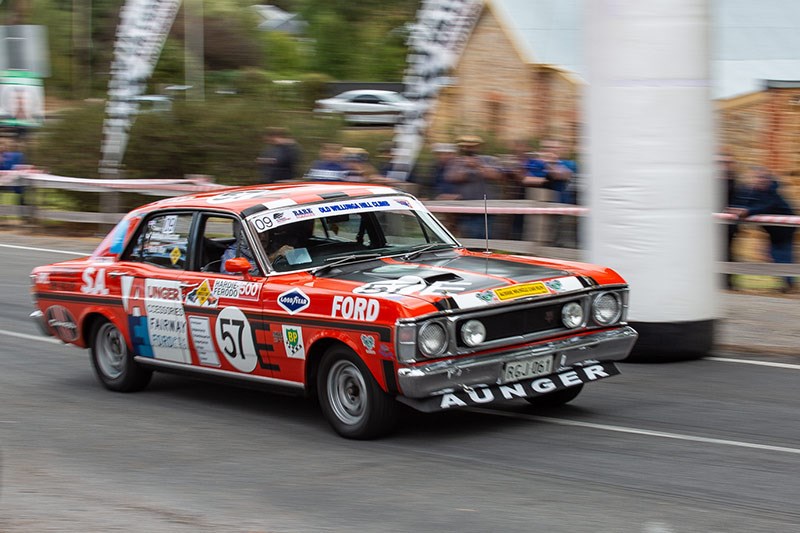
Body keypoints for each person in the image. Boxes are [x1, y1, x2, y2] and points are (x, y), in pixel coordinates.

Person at [728, 167, 796, 293]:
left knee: (782, 255)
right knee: (774, 255)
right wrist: (737, 209)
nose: (759, 180)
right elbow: (744, 204)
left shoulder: (772, 193)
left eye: (762, 178)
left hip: (784, 230)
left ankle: (788, 284)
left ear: (768, 180)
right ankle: (785, 282)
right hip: (773, 230)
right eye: (757, 177)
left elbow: (766, 206)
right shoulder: (752, 192)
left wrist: (747, 211)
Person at [444, 135, 502, 239]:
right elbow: (451, 177)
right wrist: (466, 169)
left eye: (471, 146)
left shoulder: (489, 160)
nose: (468, 149)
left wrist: (478, 166)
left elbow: (496, 176)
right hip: (464, 208)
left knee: (484, 237)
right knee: (467, 237)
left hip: (485, 206)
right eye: (465, 146)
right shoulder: (455, 162)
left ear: (478, 147)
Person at [525, 138, 578, 246]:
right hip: (540, 208)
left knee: (561, 242)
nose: (549, 150)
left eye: (553, 147)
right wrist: (546, 179)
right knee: (538, 242)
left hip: (562, 208)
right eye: (546, 148)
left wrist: (549, 165)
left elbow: (562, 175)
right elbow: (527, 180)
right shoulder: (537, 164)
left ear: (561, 149)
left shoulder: (569, 163)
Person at [718, 152, 742, 289]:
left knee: (727, 252)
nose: (724, 165)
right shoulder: (711, 181)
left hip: (728, 225)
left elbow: (738, 201)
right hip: (714, 224)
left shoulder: (734, 182)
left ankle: (728, 281)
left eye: (727, 162)